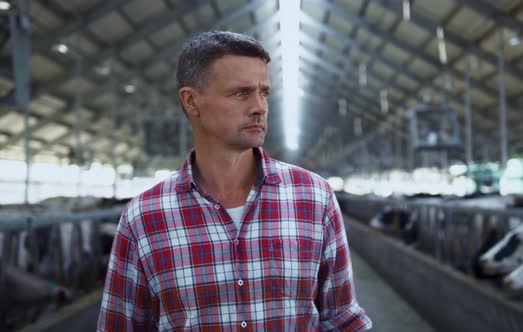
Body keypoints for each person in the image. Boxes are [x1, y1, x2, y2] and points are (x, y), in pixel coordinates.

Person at [97, 31, 372, 331]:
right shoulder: (144, 217)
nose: (259, 107)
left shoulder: (315, 198)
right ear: (191, 101)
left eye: (264, 92)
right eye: (241, 92)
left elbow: (343, 320)